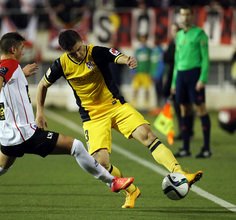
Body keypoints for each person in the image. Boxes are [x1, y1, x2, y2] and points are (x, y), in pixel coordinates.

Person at [0, 32, 135, 212]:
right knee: (76, 146)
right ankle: (112, 182)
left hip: (7, 134)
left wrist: (20, 74)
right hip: (25, 133)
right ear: (13, 49)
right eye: (21, 49)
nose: (23, 52)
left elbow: (2, 79)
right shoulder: (10, 65)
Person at [36, 29, 203, 209]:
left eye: (79, 49)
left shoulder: (96, 52)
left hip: (116, 106)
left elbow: (117, 56)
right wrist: (39, 112)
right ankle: (131, 190)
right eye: (72, 53)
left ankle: (180, 173)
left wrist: (128, 60)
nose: (78, 54)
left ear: (82, 40)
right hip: (92, 116)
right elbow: (42, 85)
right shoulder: (60, 65)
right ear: (64, 52)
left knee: (148, 136)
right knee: (100, 164)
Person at [171, 6, 212, 158]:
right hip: (181, 74)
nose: (185, 17)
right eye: (183, 14)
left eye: (188, 14)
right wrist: (174, 82)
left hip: (195, 74)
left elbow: (206, 58)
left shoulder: (200, 34)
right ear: (180, 16)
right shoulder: (179, 35)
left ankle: (206, 148)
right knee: (184, 110)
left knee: (201, 109)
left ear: (192, 15)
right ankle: (185, 148)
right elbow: (177, 61)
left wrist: (203, 78)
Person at [163, 23, 195, 140]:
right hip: (174, 78)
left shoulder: (184, 44)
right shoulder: (173, 44)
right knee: (178, 106)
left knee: (186, 106)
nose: (172, 33)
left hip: (184, 78)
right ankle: (183, 131)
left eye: (174, 31)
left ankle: (188, 131)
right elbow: (166, 58)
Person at [130, 33, 152, 108]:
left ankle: (147, 103)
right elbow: (134, 61)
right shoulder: (138, 51)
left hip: (146, 72)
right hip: (138, 72)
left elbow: (151, 62)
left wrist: (151, 72)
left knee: (147, 89)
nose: (143, 40)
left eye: (144, 39)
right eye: (141, 39)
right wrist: (133, 71)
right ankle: (134, 103)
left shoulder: (149, 50)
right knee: (135, 88)